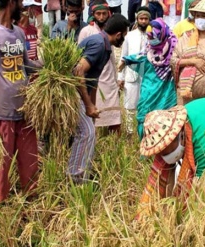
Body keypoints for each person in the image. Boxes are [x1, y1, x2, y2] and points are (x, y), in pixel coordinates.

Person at [0, 0, 42, 203]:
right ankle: (1, 203)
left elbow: (26, 65)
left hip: (26, 108)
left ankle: (31, 202)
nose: (22, 6)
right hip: (3, 111)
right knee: (2, 164)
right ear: (11, 2)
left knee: (30, 161)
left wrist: (49, 68)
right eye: (20, 2)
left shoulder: (19, 33)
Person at [70, 14, 130, 183]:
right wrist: (88, 105)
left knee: (88, 131)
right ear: (118, 35)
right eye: (124, 36)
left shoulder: (104, 45)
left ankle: (81, 173)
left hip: (80, 91)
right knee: (87, 133)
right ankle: (76, 177)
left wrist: (92, 108)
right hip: (72, 92)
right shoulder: (99, 45)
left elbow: (93, 80)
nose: (123, 39)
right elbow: (78, 71)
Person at [121, 18, 178, 138]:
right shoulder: (148, 49)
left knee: (165, 118)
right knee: (144, 115)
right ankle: (145, 146)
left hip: (166, 89)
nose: (151, 41)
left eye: (154, 38)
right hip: (148, 88)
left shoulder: (173, 47)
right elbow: (138, 57)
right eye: (149, 38)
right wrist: (124, 60)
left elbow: (179, 62)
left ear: (162, 34)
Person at [78, 3, 122, 135]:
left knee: (114, 119)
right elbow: (80, 65)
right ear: (93, 15)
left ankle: (112, 148)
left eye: (104, 14)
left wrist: (116, 77)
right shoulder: (87, 32)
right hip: (89, 80)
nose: (101, 17)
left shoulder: (110, 32)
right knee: (89, 128)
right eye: (98, 14)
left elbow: (112, 59)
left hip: (106, 78)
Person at [118, 7, 150, 135]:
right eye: (141, 18)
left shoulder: (152, 36)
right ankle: (130, 132)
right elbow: (123, 56)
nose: (143, 21)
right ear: (137, 19)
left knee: (146, 106)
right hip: (131, 75)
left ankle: (144, 132)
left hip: (147, 76)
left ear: (149, 20)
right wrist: (120, 77)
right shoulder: (129, 36)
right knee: (130, 106)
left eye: (146, 19)